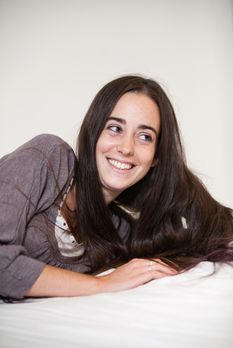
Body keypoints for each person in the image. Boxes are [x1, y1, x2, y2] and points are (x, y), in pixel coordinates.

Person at [0, 75, 232, 301]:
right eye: (115, 128)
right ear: (93, 133)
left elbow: (200, 234)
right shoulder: (48, 158)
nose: (126, 148)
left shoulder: (118, 231)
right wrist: (103, 284)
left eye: (144, 136)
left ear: (155, 157)